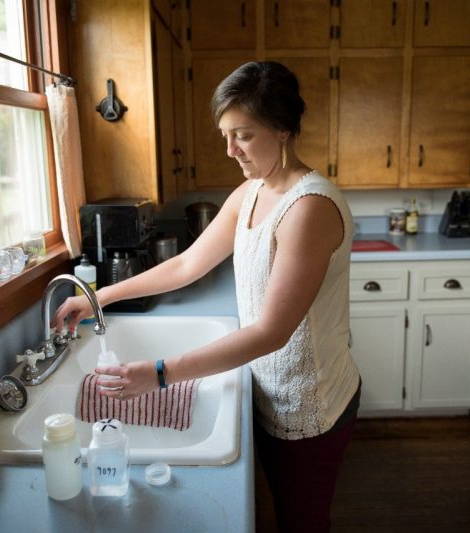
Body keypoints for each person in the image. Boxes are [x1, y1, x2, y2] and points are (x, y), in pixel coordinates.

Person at [54, 61, 361, 532]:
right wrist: (97, 298)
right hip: (268, 392)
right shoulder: (251, 193)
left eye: (243, 134)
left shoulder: (309, 209)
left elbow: (271, 332)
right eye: (225, 134)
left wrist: (159, 375)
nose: (230, 149)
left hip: (310, 405)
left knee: (303, 523)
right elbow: (186, 265)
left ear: (282, 130)